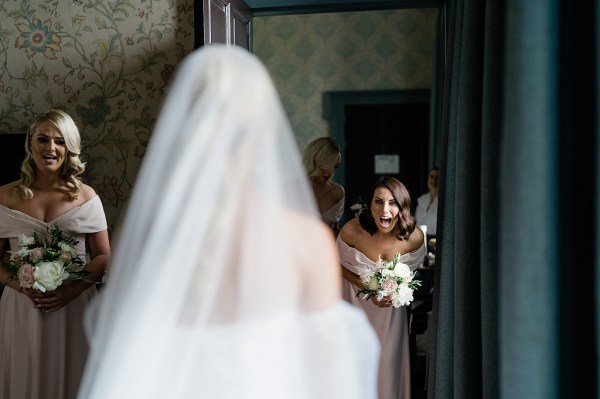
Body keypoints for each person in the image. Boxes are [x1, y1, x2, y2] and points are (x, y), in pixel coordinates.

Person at [76, 45, 379, 399]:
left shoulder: (146, 233)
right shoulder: (306, 240)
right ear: (264, 131)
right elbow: (331, 381)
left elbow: (124, 349)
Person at [0, 109, 111, 399]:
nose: (51, 148)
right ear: (30, 145)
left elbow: (102, 256)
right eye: (43, 139)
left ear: (69, 148)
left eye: (60, 141)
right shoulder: (4, 196)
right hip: (22, 307)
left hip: (74, 305)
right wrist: (21, 287)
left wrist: (71, 291)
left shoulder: (86, 197)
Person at [337, 176, 426, 399]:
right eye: (378, 201)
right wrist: (367, 287)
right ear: (370, 205)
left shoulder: (414, 237)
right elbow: (335, 264)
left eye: (392, 202)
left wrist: (394, 290)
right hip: (355, 306)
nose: (385, 209)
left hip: (390, 314)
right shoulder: (352, 230)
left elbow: (410, 273)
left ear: (402, 205)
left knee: (386, 365)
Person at [303, 137, 345, 235]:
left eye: (335, 167)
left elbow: (334, 232)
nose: (331, 172)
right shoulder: (290, 189)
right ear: (314, 161)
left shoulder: (337, 192)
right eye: (328, 164)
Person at [415, 166, 439, 251]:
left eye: (437, 177)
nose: (434, 180)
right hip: (420, 241)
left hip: (437, 242)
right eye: (431, 177)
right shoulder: (422, 200)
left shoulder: (443, 201)